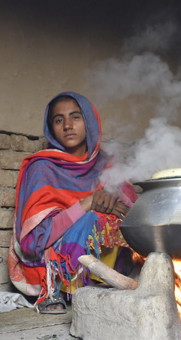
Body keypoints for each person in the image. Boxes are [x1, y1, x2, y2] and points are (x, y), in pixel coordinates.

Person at [7, 92, 137, 314]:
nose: (67, 125)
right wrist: (86, 204)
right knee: (92, 217)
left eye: (75, 117)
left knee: (115, 219)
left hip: (109, 271)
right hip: (51, 265)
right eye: (58, 120)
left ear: (89, 121)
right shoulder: (42, 168)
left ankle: (105, 284)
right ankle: (56, 290)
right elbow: (32, 242)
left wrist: (113, 194)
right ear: (51, 128)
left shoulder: (107, 165)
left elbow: (136, 215)